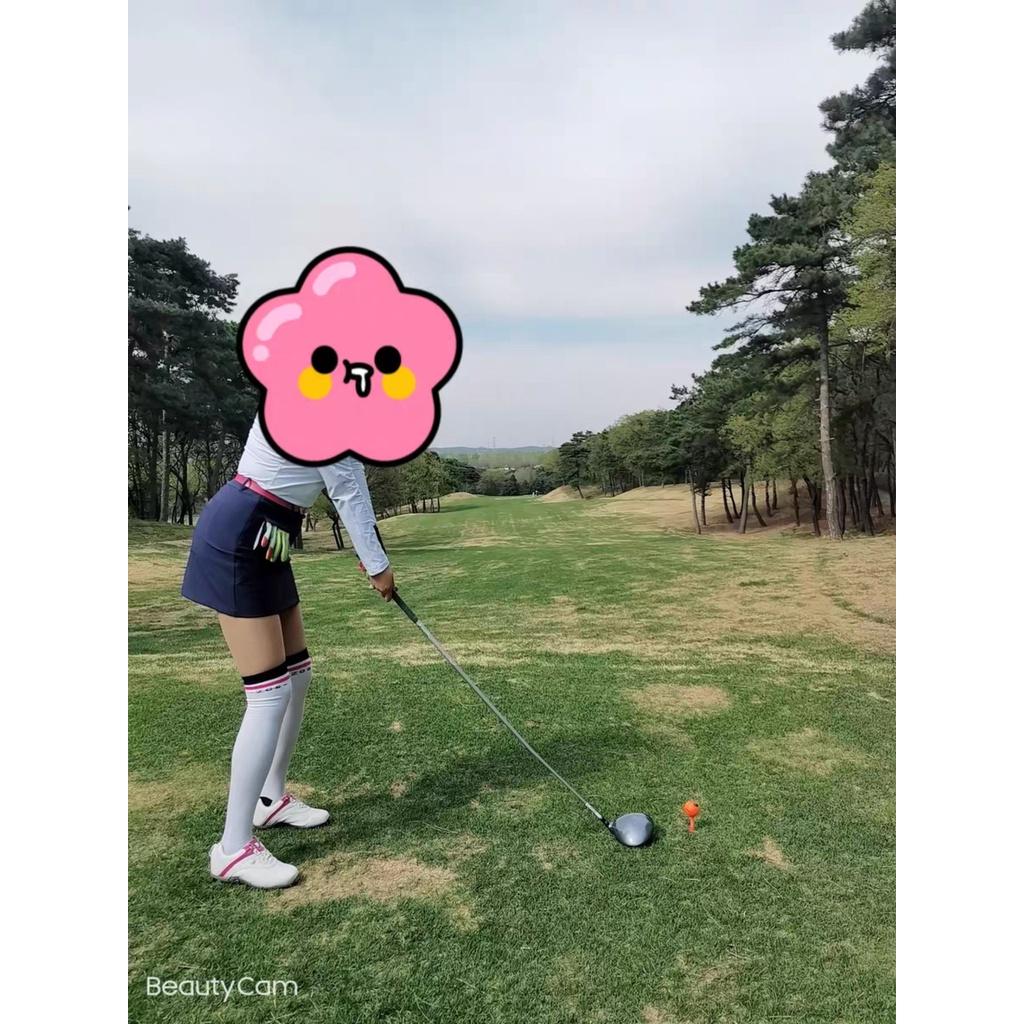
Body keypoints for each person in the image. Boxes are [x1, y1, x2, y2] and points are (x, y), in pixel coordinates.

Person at [181, 417, 395, 889]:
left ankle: (270, 799)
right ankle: (232, 849)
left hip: (270, 535)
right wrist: (378, 565)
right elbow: (348, 489)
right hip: (243, 534)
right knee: (268, 694)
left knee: (297, 675)